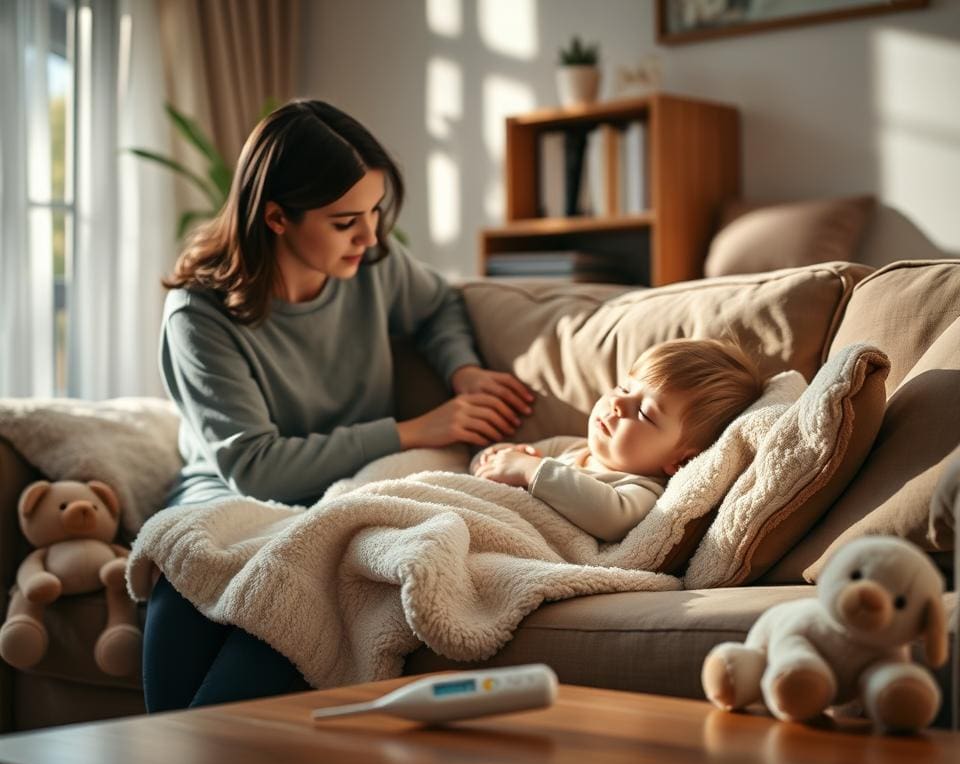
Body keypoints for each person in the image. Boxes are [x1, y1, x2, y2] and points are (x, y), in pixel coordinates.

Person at [143, 99, 533, 712]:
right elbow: (255, 467)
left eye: (375, 213)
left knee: (294, 599)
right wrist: (412, 430)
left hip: (344, 493)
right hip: (231, 497)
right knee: (187, 572)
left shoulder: (374, 266)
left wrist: (462, 368)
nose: (372, 235)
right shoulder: (200, 316)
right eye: (345, 220)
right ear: (276, 217)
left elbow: (439, 306)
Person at [471, 339, 763, 542]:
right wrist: (498, 457)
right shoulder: (570, 447)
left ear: (681, 461)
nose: (618, 405)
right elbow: (483, 467)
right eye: (624, 388)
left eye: (644, 413)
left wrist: (530, 469)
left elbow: (612, 519)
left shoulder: (641, 490)